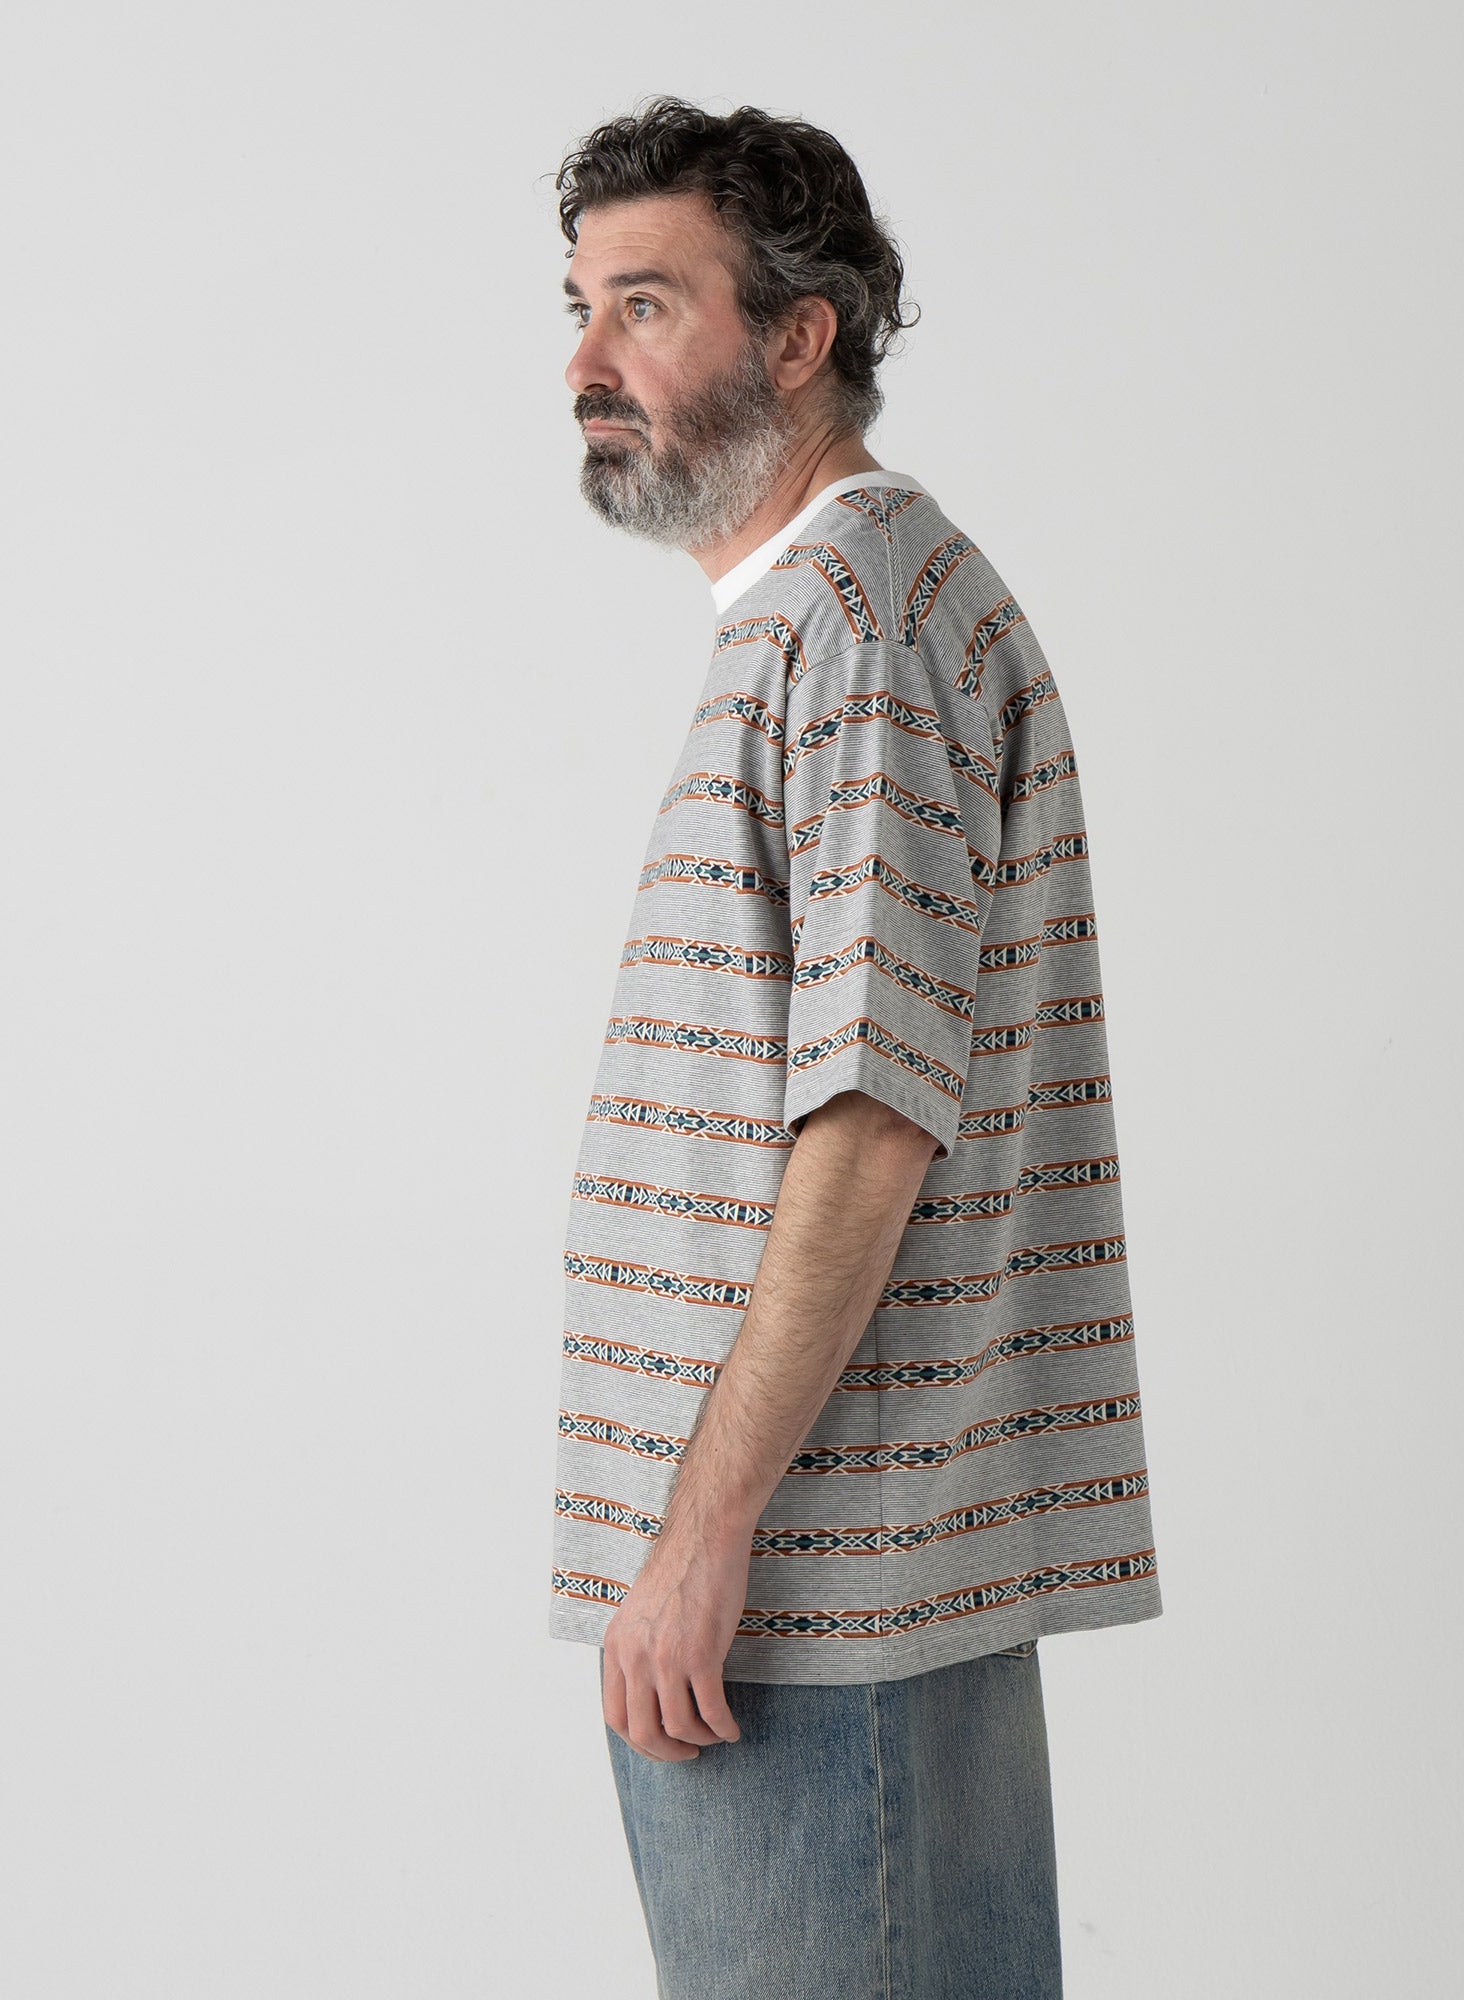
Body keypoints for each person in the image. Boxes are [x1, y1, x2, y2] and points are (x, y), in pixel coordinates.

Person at [546, 96, 1162, 2000]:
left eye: (648, 306)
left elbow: (875, 1117)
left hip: (810, 1606)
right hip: (830, 1588)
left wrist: (701, 1539)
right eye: (579, 309)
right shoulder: (833, 616)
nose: (586, 365)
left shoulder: (861, 624)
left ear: (800, 336)